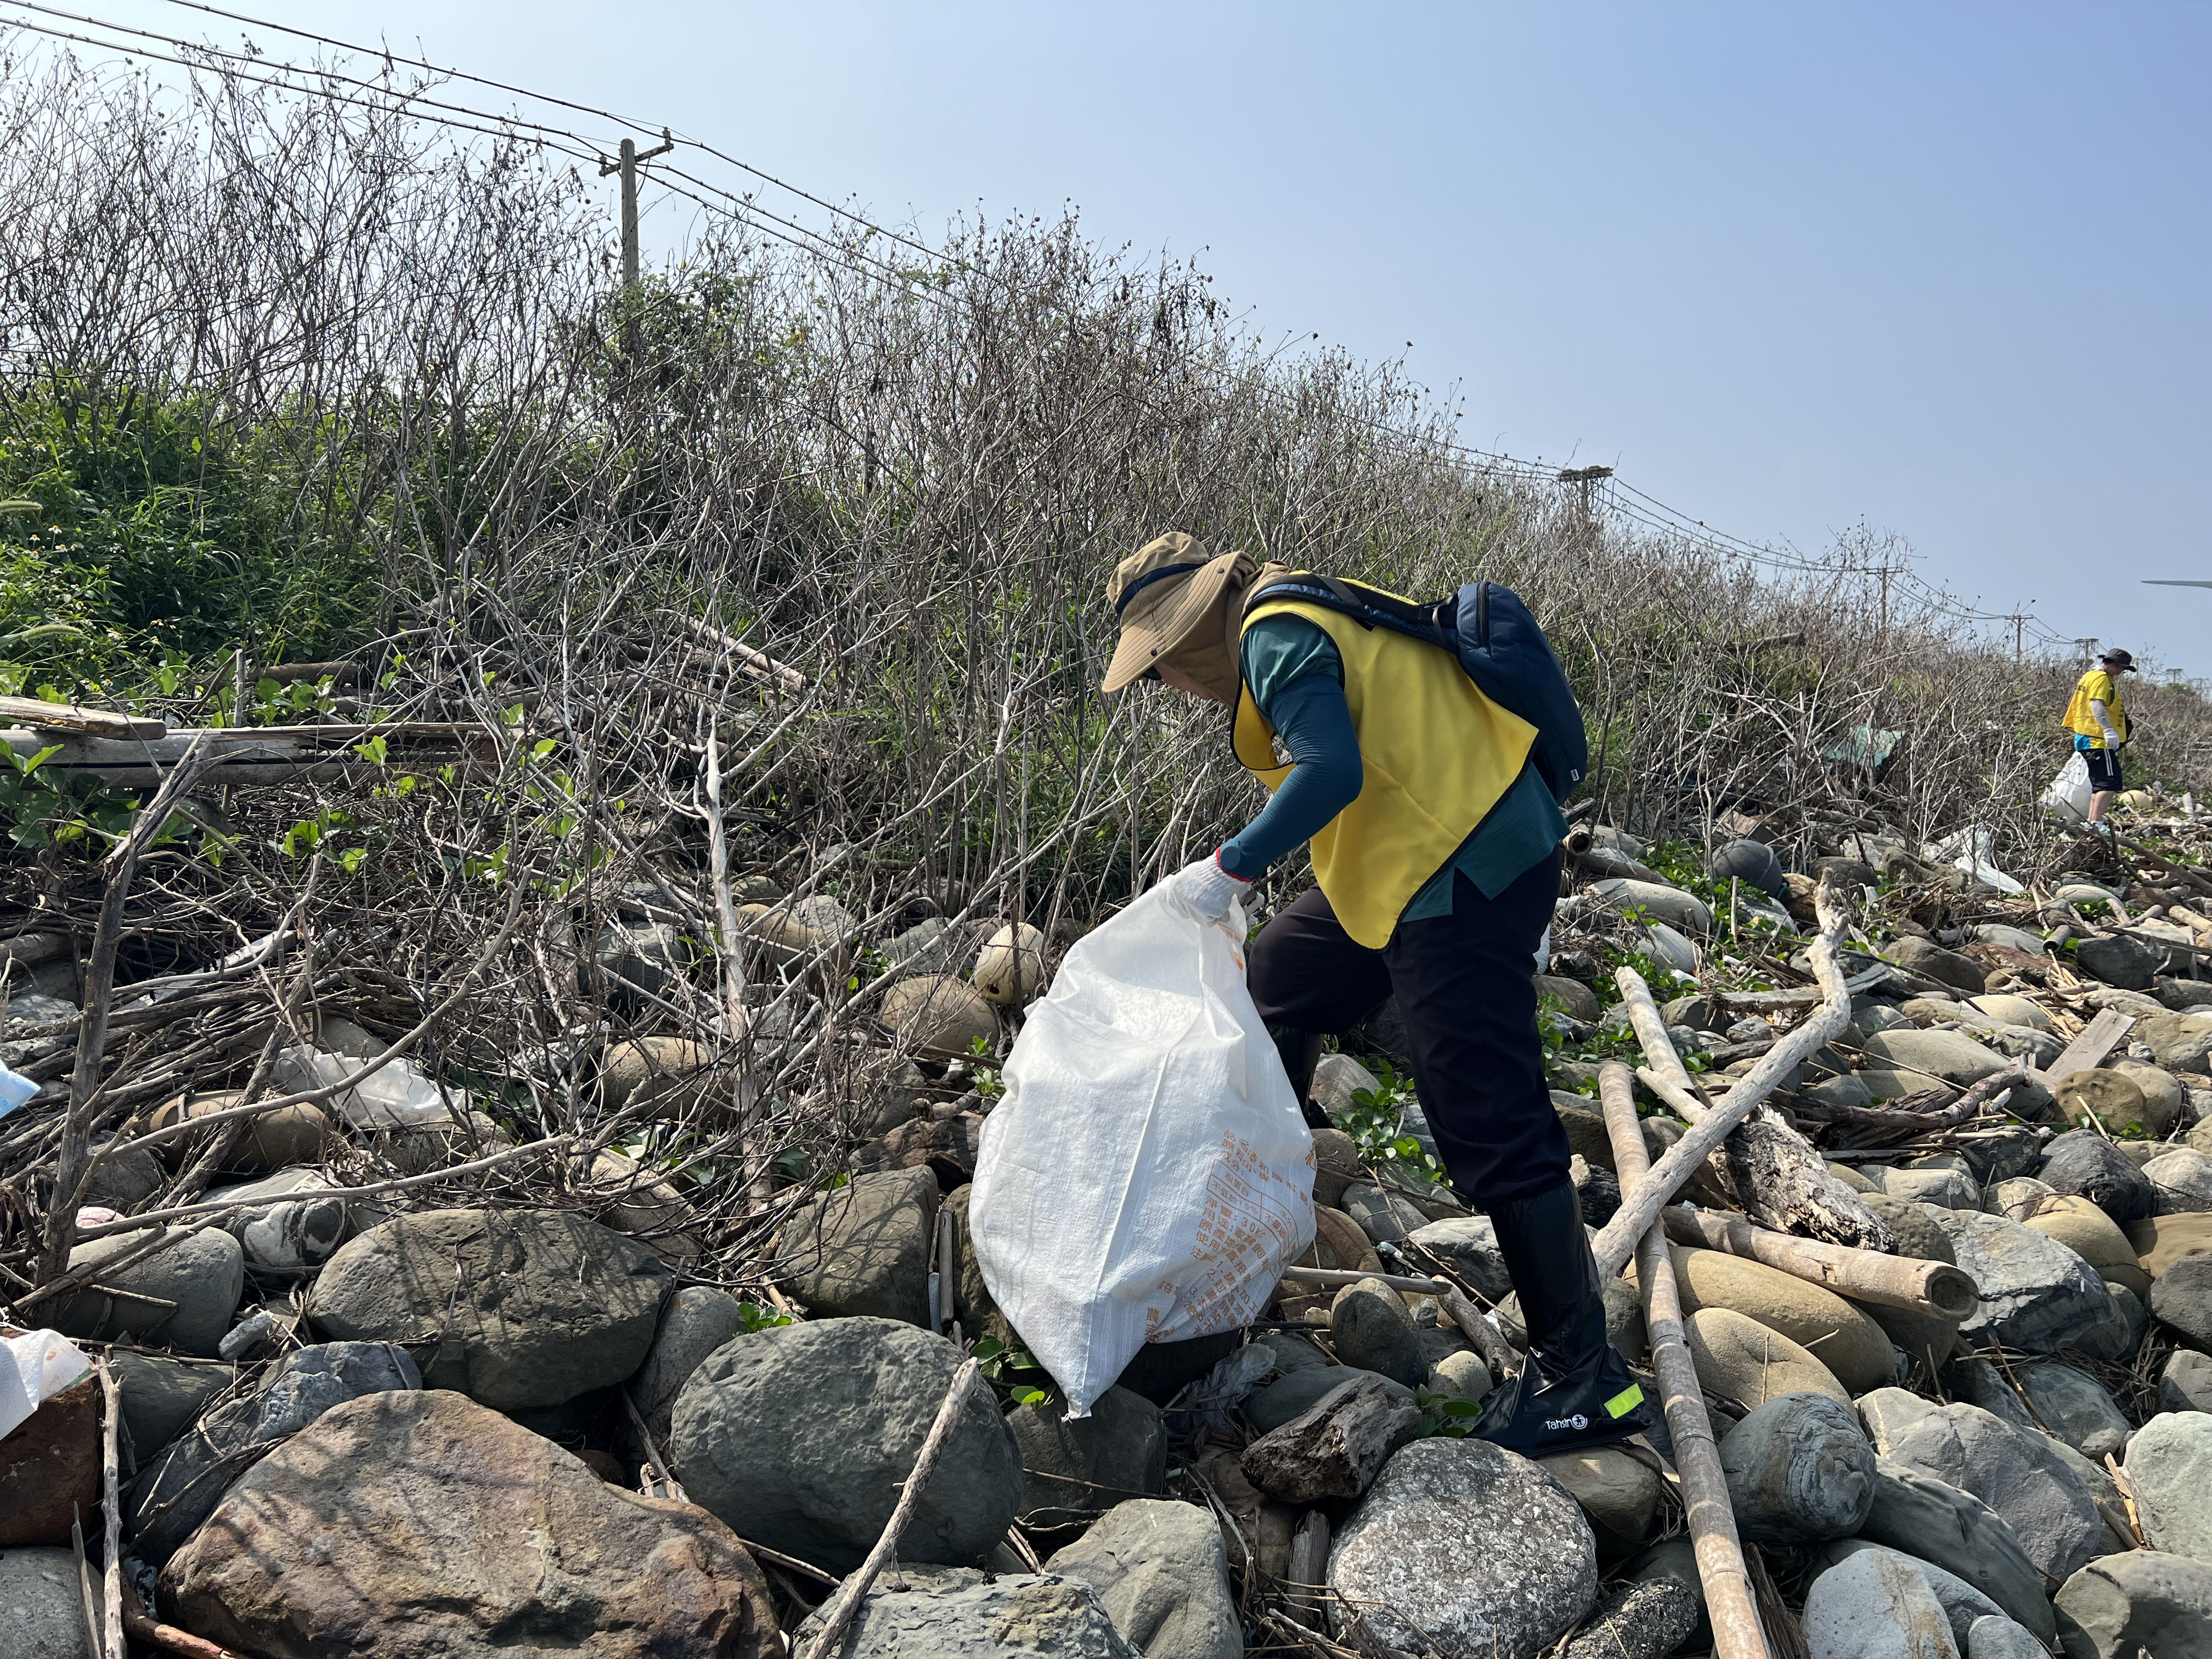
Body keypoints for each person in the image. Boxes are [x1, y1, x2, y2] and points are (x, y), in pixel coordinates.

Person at [1102, 531, 1651, 1457]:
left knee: (1486, 1114)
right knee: (1272, 984)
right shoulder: (1288, 611)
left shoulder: (1270, 632)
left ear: (1191, 634)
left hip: (1460, 860)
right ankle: (1261, 1209)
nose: (1169, 688)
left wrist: (1228, 867)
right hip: (1400, 864)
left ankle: (1583, 1378)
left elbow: (1331, 770)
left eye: (1159, 669)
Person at [2063, 649, 2137, 828]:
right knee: (2110, 782)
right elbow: (2096, 704)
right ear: (2115, 665)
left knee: (2099, 783)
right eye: (2123, 668)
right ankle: (2097, 822)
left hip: (2086, 737)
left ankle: (2092, 822)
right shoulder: (2102, 679)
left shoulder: (2089, 676)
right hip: (2097, 739)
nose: (2122, 672)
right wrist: (2108, 730)